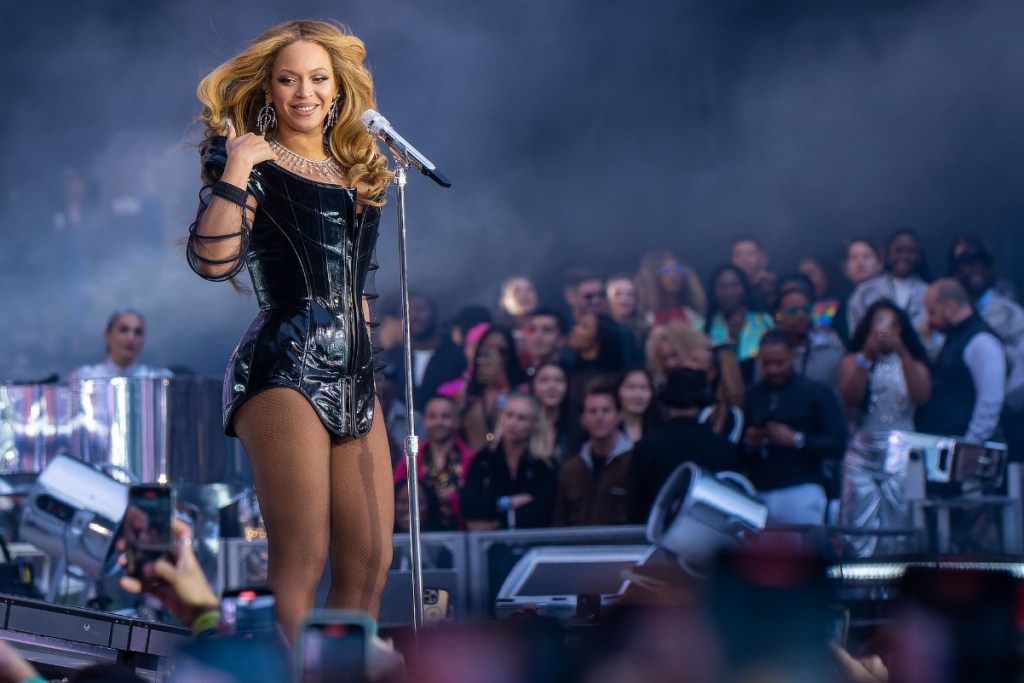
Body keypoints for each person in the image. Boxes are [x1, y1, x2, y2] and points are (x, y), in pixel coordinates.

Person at [185, 20, 395, 641]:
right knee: (303, 556)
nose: (304, 91)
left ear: (338, 89)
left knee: (370, 560)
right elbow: (211, 262)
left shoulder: (360, 170)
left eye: (317, 78)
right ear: (270, 90)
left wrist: (367, 376)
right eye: (288, 79)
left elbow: (356, 294)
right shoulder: (252, 159)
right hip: (284, 365)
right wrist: (240, 167)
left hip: (354, 371)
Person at [837, 300, 931, 556]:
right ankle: (858, 586)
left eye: (893, 326)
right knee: (857, 524)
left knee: (900, 523)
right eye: (878, 324)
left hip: (903, 452)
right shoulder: (852, 360)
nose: (884, 332)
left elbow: (921, 395)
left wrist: (902, 351)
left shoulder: (915, 360)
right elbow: (850, 397)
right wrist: (866, 356)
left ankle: (898, 586)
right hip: (862, 452)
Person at [742, 331, 847, 525]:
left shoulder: (817, 393)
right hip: (758, 489)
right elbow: (737, 447)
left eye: (779, 363)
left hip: (801, 488)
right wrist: (750, 442)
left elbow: (838, 444)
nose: (773, 370)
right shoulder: (751, 396)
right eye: (767, 364)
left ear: (792, 356)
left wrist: (798, 440)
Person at [628, 368, 737, 523]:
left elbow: (635, 508)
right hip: (707, 537)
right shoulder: (723, 447)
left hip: (656, 537)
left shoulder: (646, 447)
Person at [917, 279, 1006, 443]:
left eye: (932, 312)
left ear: (950, 306)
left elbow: (990, 399)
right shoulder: (954, 337)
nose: (929, 320)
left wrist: (970, 443)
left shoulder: (981, 341)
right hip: (948, 440)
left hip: (967, 447)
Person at [461, 394, 558, 530]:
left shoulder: (544, 465)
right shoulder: (483, 459)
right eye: (509, 415)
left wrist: (496, 522)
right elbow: (469, 506)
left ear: (534, 425)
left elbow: (541, 511)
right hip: (491, 545)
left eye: (521, 418)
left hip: (533, 541)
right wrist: (507, 503)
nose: (513, 423)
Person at [553, 385, 633, 527]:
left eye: (606, 410)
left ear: (619, 416)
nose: (599, 417)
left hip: (622, 547)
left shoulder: (635, 462)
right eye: (592, 411)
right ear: (582, 419)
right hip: (578, 547)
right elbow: (560, 520)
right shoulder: (571, 469)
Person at [393, 395, 475, 531]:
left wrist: (454, 498)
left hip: (461, 540)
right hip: (421, 540)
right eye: (433, 416)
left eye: (445, 416)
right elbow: (395, 499)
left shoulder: (472, 459)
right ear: (425, 420)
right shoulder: (410, 459)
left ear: (457, 421)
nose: (439, 422)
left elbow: (479, 508)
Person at [846, 229, 933, 350]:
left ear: (919, 256)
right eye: (899, 251)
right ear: (888, 254)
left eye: (910, 251)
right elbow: (855, 334)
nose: (904, 256)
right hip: (875, 362)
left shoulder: (930, 293)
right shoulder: (865, 291)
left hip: (914, 362)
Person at [460, 326, 529, 451]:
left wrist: (503, 383)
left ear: (509, 355)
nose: (494, 356)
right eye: (487, 350)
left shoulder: (522, 392)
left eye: (501, 351)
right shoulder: (466, 393)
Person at [704, 264, 774, 383]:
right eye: (722, 286)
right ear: (713, 291)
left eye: (734, 285)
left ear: (744, 289)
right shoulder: (705, 325)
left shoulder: (764, 321)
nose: (729, 292)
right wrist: (731, 338)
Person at [67, 308, 173, 383]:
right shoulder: (85, 377)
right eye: (123, 330)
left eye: (138, 332)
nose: (131, 338)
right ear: (108, 335)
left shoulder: (158, 379)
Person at [633, 249, 706, 329]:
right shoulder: (644, 317)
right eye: (666, 271)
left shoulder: (691, 314)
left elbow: (701, 335)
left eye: (678, 269)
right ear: (653, 276)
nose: (674, 276)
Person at [530, 361, 580, 463]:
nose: (552, 386)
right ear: (533, 386)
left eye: (559, 380)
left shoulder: (578, 426)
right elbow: (490, 438)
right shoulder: (522, 419)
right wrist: (488, 437)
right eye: (544, 380)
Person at [730, 235, 777, 312]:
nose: (744, 259)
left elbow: (780, 317)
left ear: (763, 258)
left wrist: (770, 295)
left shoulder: (773, 285)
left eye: (750, 253)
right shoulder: (727, 290)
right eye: (738, 255)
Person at [616, 367, 662, 444]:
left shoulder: (661, 429)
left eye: (643, 387)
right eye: (631, 387)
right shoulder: (608, 429)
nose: (638, 395)